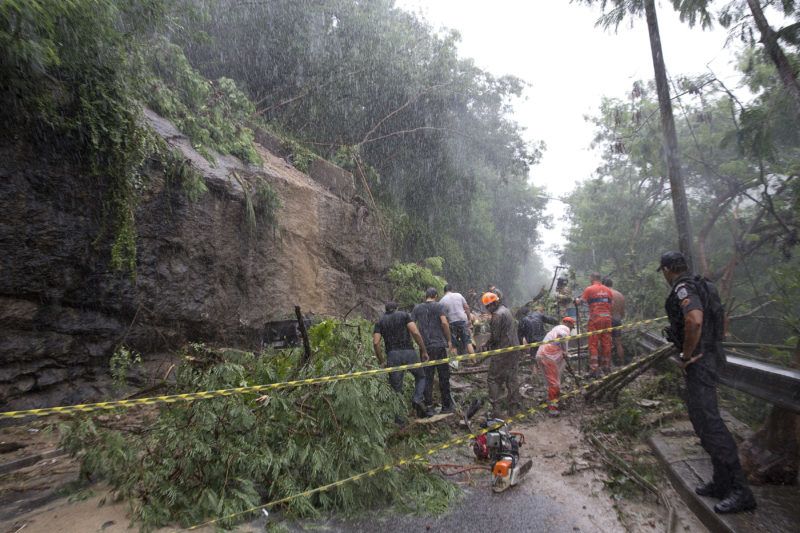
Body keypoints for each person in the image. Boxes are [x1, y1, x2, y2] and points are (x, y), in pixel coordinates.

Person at [659, 251, 756, 514]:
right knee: (701, 421)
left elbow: (694, 320)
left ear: (668, 269)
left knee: (710, 423)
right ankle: (721, 481)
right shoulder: (703, 284)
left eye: (664, 271)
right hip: (709, 358)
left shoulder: (683, 287)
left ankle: (741, 491)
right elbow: (721, 322)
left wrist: (687, 355)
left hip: (700, 362)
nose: (665, 276)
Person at [373, 301, 432, 419]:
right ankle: (417, 398)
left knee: (396, 389)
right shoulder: (404, 315)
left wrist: (381, 360)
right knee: (421, 377)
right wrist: (424, 350)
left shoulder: (380, 321)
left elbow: (376, 342)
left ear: (386, 309)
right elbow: (415, 332)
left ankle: (399, 420)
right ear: (396, 308)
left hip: (393, 355)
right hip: (409, 352)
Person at [412, 287, 455, 413]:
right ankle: (446, 406)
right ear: (435, 296)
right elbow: (444, 323)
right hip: (439, 345)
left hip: (425, 347)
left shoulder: (417, 308)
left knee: (427, 377)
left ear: (426, 296)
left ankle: (429, 407)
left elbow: (412, 326)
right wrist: (449, 340)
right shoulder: (439, 306)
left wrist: (418, 342)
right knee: (443, 375)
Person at [481, 291, 521, 418]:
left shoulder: (497, 316)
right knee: (511, 378)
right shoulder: (506, 310)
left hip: (503, 351)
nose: (488, 309)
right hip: (514, 349)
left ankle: (496, 411)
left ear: (492, 304)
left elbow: (495, 337)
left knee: (492, 379)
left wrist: (486, 345)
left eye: (488, 307)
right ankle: (513, 410)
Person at [575, 273, 613, 377]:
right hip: (607, 318)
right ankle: (606, 367)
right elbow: (611, 304)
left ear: (592, 278)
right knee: (606, 343)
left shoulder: (589, 289)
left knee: (593, 343)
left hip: (595, 318)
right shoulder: (608, 290)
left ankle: (594, 368)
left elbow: (580, 302)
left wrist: (577, 300)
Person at [535, 317, 575, 417]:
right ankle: (552, 409)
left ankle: (553, 402)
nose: (571, 328)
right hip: (548, 356)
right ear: (568, 324)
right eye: (571, 326)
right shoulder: (563, 328)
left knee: (551, 383)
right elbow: (562, 335)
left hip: (543, 355)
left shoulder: (555, 329)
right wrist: (565, 351)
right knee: (554, 383)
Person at [439, 284, 475, 356]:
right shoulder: (459, 295)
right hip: (462, 320)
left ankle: (456, 366)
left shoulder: (442, 301)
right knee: (468, 342)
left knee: (454, 345)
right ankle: (474, 361)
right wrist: (469, 320)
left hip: (452, 323)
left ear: (444, 291)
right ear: (451, 290)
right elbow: (467, 308)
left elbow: (444, 317)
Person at [602, 277, 626, 365]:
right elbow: (623, 313)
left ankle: (607, 365)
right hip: (617, 320)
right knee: (618, 343)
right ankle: (622, 363)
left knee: (605, 342)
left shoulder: (605, 294)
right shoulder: (620, 295)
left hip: (607, 320)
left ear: (603, 285)